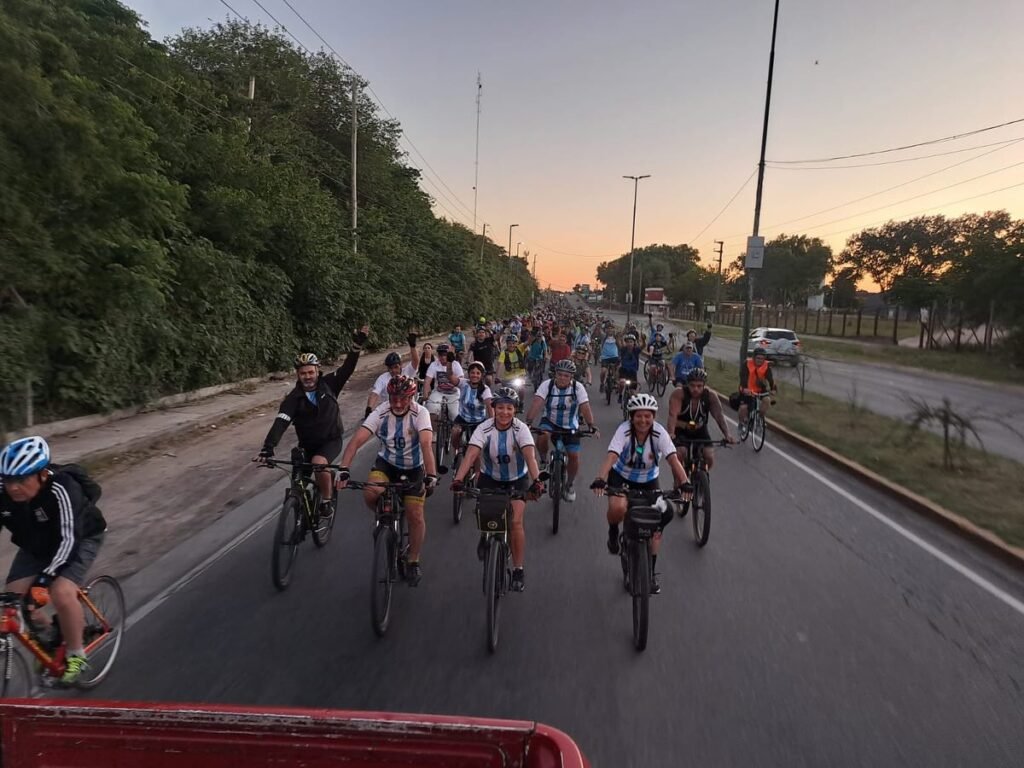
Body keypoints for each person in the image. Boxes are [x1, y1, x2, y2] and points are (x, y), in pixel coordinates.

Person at [0, 436, 107, 684]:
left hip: (80, 539)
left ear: (42, 474)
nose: (13, 488)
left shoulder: (63, 489)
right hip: (36, 544)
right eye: (8, 481)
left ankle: (76, 654)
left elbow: (69, 540)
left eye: (21, 480)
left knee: (60, 592)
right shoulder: (3, 491)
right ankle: (52, 637)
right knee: (13, 599)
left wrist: (43, 580)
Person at [256, 327, 369, 519]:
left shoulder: (330, 384)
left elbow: (348, 368)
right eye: (303, 373)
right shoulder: (293, 398)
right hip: (306, 445)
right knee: (297, 483)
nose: (307, 377)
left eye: (310, 372)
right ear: (298, 375)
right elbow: (280, 422)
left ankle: (326, 501)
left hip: (330, 440)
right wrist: (268, 448)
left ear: (317, 371)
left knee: (319, 463)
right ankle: (298, 514)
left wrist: (357, 345)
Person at [336, 376, 438, 586]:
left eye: (403, 398)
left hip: (413, 468)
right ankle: (384, 520)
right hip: (387, 464)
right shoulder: (381, 411)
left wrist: (431, 475)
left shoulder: (421, 413)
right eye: (393, 398)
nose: (398, 403)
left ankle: (413, 560)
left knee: (415, 515)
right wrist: (343, 469)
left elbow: (427, 445)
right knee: (370, 492)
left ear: (411, 397)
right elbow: (356, 441)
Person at [589, 394, 692, 594]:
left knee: (664, 513)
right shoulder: (624, 431)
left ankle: (650, 572)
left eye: (648, 416)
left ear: (653, 416)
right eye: (638, 416)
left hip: (648, 482)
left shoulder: (659, 433)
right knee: (618, 508)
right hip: (621, 478)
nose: (643, 421)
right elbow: (612, 456)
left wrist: (685, 483)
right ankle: (613, 532)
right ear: (631, 416)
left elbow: (673, 459)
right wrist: (601, 478)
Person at [450, 388, 544, 591]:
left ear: (515, 410)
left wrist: (537, 481)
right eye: (500, 407)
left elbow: (530, 457)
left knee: (516, 522)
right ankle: (486, 536)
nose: (504, 412)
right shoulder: (484, 428)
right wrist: (458, 479)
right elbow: (471, 456)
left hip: (517, 480)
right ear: (494, 408)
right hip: (490, 478)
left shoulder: (521, 430)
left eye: (509, 408)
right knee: (487, 515)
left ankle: (518, 569)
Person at [524, 359, 599, 502]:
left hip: (570, 425)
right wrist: (528, 422)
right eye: (560, 374)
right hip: (550, 421)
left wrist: (591, 425)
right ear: (555, 374)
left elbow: (585, 406)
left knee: (574, 457)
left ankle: (569, 484)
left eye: (567, 375)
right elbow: (537, 403)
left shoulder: (578, 388)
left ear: (572, 377)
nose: (563, 378)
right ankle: (544, 461)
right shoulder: (548, 385)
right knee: (542, 435)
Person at [667, 367, 735, 477]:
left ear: (704, 385)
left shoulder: (710, 396)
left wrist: (727, 434)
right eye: (692, 385)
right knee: (681, 452)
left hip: (700, 430)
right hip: (681, 430)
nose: (696, 389)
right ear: (687, 384)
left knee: (709, 457)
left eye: (699, 386)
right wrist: (671, 433)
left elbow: (719, 416)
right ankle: (678, 480)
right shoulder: (679, 394)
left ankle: (702, 479)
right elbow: (672, 415)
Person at [449, 361, 493, 463]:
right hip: (462, 418)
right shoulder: (463, 383)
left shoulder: (485, 390)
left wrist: (492, 424)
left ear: (482, 375)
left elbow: (490, 408)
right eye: (472, 372)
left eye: (478, 373)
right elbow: (450, 377)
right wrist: (449, 364)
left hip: (478, 422)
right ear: (468, 374)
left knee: (476, 452)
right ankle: (456, 455)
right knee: (455, 433)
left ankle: (477, 476)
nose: (475, 375)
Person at [366, 333, 420, 416]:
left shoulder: (408, 372)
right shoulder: (382, 378)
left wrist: (412, 347)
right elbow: (375, 394)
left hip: (408, 409)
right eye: (390, 368)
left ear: (401, 365)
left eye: (396, 367)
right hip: (389, 410)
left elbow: (415, 362)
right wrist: (369, 408)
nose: (393, 370)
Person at [422, 343, 464, 433]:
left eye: (445, 355)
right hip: (439, 391)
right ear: (438, 355)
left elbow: (461, 381)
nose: (443, 357)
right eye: (441, 355)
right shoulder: (434, 365)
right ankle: (435, 434)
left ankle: (454, 437)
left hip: (453, 393)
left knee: (455, 415)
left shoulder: (455, 364)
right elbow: (427, 381)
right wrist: (425, 394)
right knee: (431, 411)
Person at [734, 347, 776, 426]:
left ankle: (759, 418)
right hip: (747, 389)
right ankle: (741, 423)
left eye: (762, 359)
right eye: (758, 358)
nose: (760, 360)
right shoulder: (747, 364)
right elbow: (743, 377)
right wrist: (745, 388)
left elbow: (771, 379)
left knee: (767, 400)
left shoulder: (766, 366)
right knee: (743, 408)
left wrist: (773, 389)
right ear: (753, 357)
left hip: (760, 390)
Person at [617, 334, 642, 402]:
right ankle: (620, 395)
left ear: (634, 343)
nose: (629, 344)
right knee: (622, 383)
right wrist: (619, 338)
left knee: (633, 392)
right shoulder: (623, 349)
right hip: (624, 370)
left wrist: (643, 340)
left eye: (631, 342)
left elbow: (642, 346)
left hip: (632, 372)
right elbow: (619, 345)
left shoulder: (636, 350)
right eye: (628, 342)